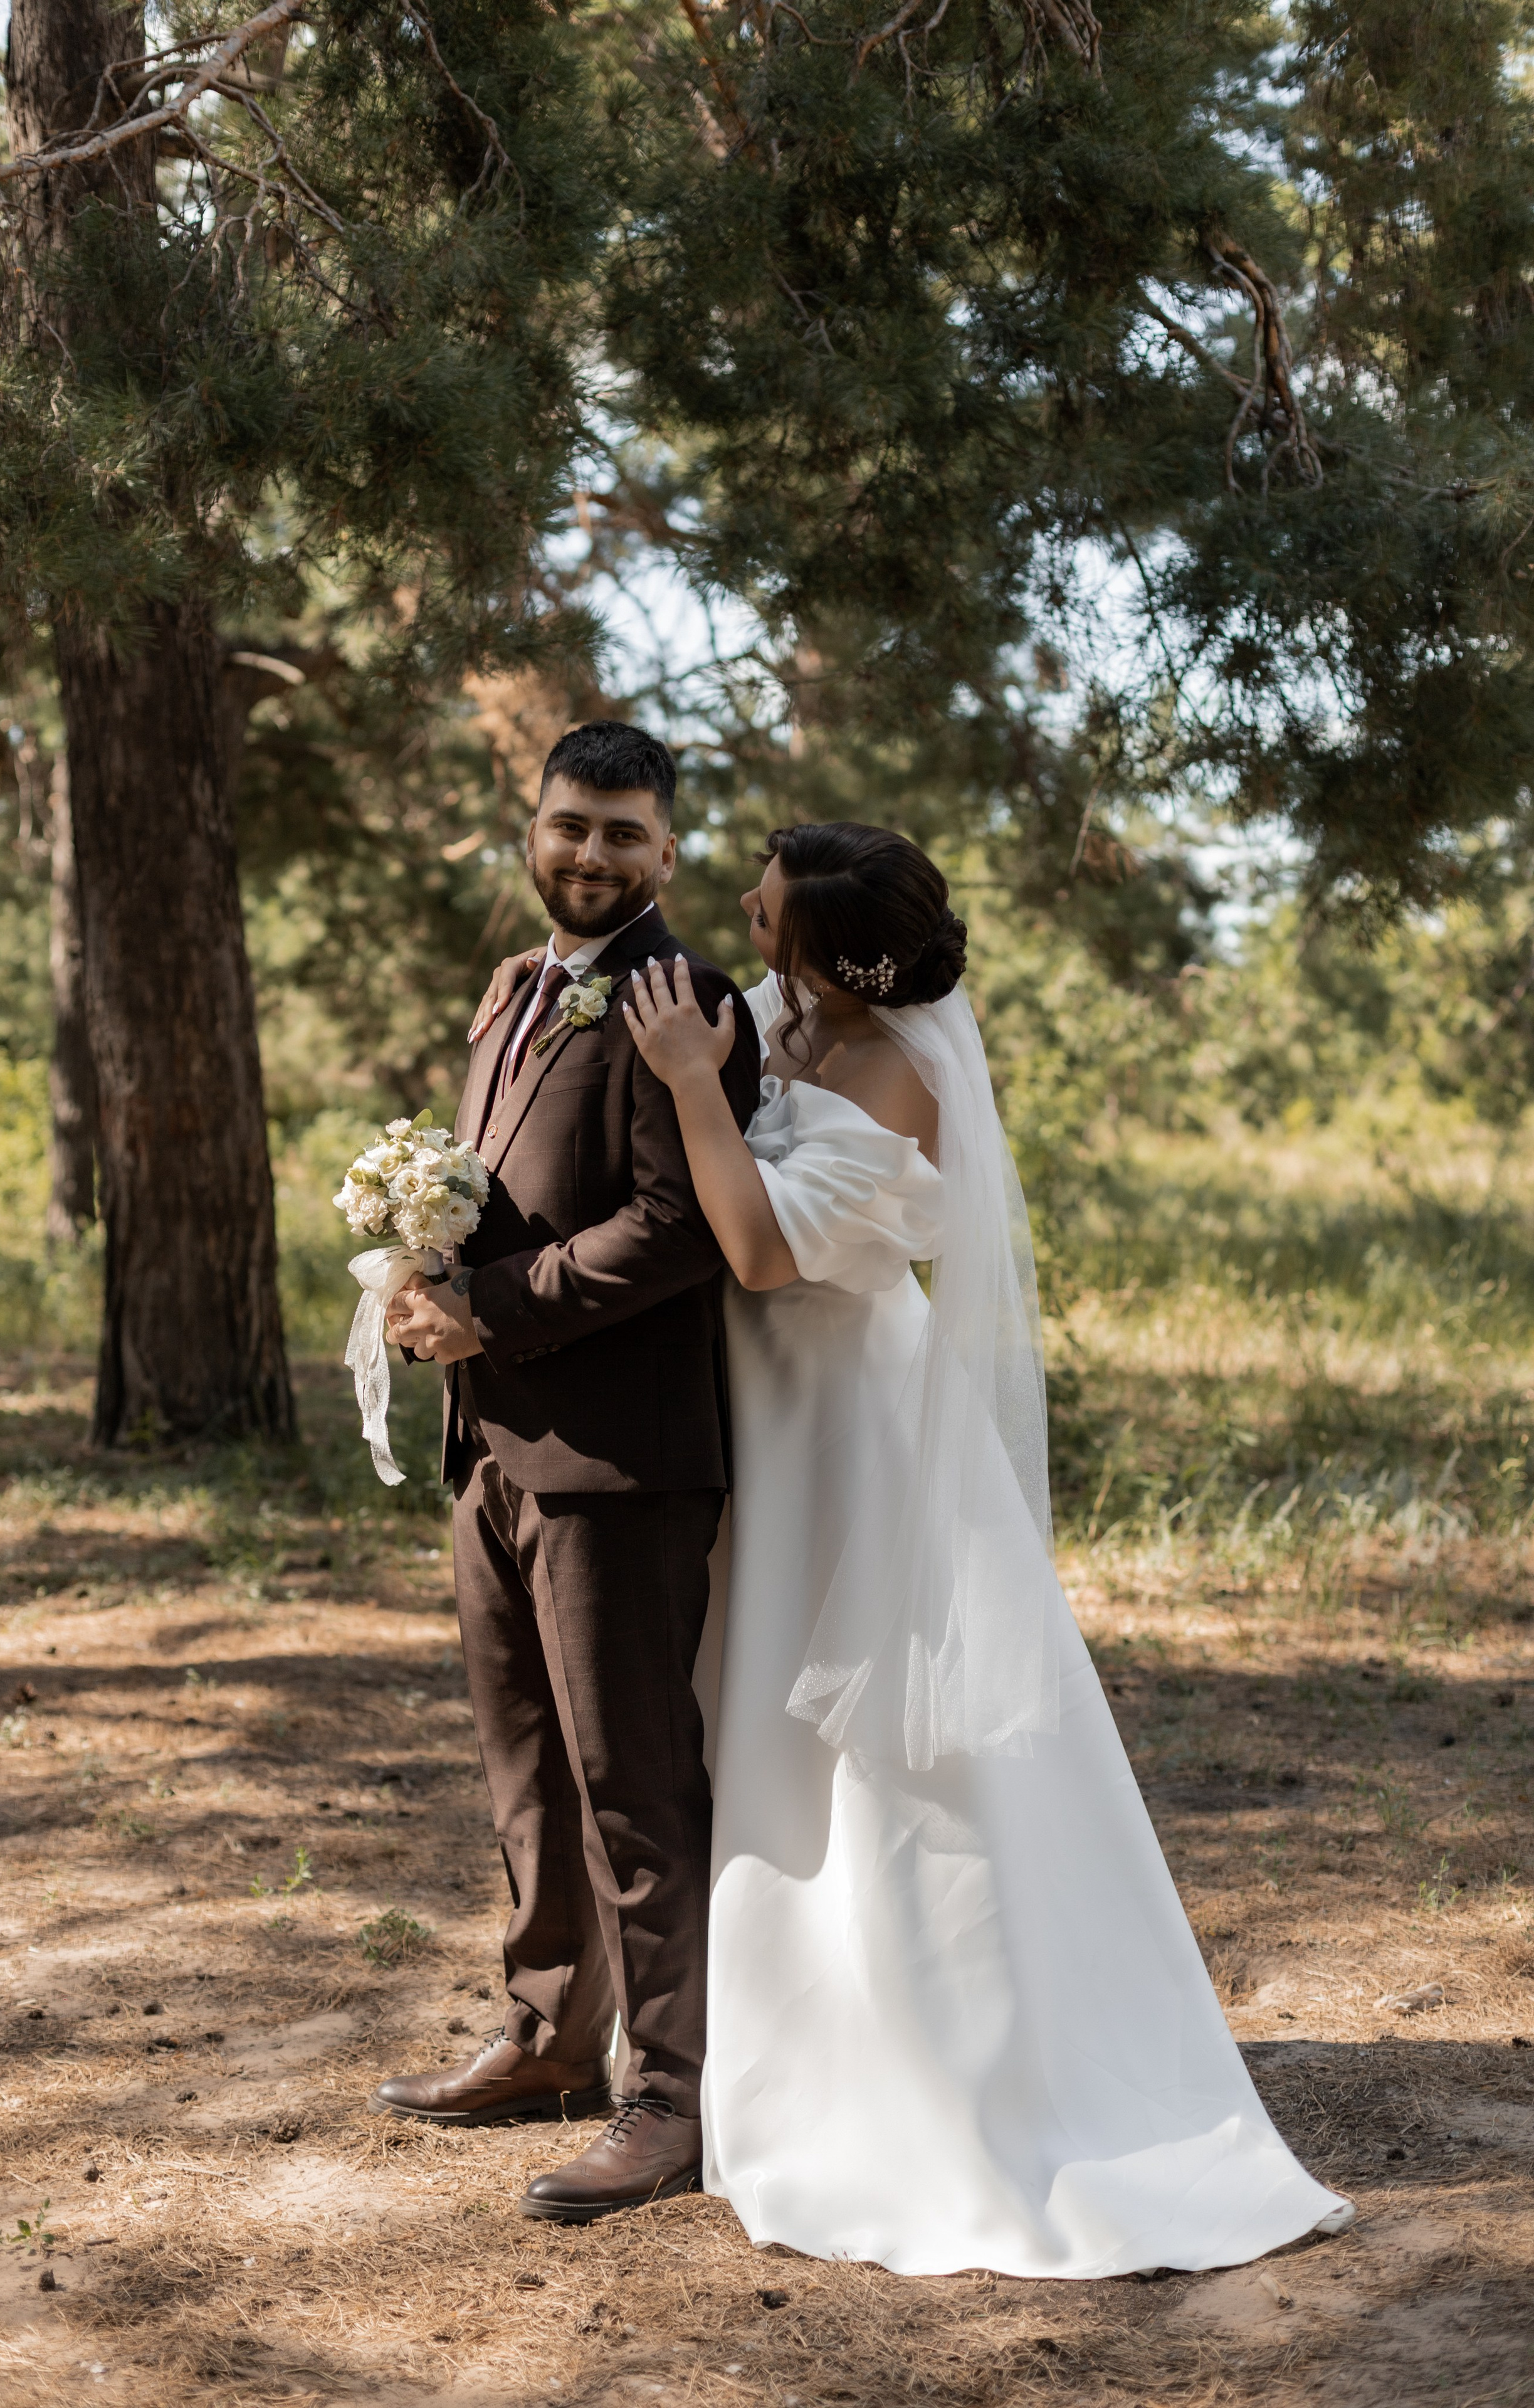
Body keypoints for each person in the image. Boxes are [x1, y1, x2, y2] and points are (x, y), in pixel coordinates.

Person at [607, 818, 1353, 2277]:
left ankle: (927, 2061)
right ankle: (741, 2034)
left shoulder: (903, 1072)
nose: (741, 897)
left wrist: (696, 1090)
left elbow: (761, 1250)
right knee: (745, 1710)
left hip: (849, 1427)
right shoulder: (779, 1017)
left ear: (804, 936)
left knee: (883, 1750)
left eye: (762, 890)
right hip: (752, 1418)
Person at [371, 720, 762, 2226]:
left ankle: (669, 2096)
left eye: (621, 833)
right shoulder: (514, 994)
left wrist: (494, 1307)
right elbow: (491, 1191)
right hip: (493, 1445)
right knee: (526, 1772)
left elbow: (681, 1226)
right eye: (568, 827)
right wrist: (423, 1293)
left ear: (667, 851)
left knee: (634, 1788)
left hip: (620, 1462)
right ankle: (547, 2039)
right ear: (527, 831)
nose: (591, 854)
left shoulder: (686, 996)